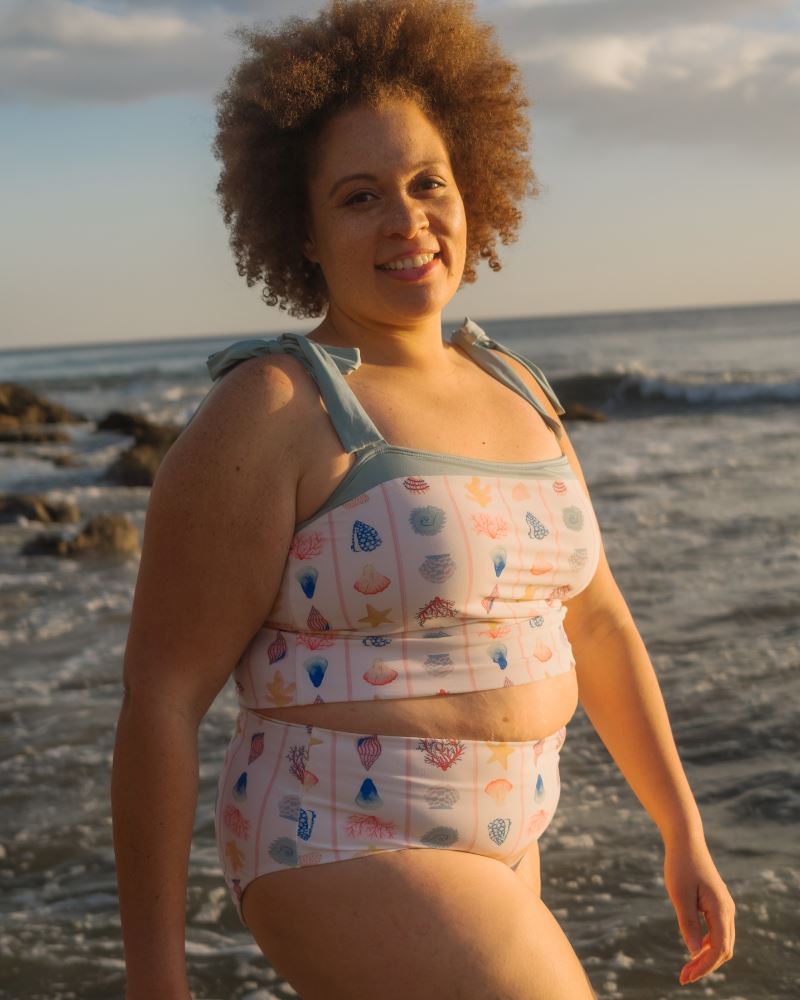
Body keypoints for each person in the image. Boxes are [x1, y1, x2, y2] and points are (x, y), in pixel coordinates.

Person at [111, 1, 736, 997]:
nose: (406, 220)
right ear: (303, 230)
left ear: (469, 189)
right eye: (359, 197)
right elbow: (162, 696)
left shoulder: (517, 385)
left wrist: (681, 830)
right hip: (334, 833)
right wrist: (156, 978)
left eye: (425, 183)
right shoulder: (273, 408)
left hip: (507, 842)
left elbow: (599, 623)